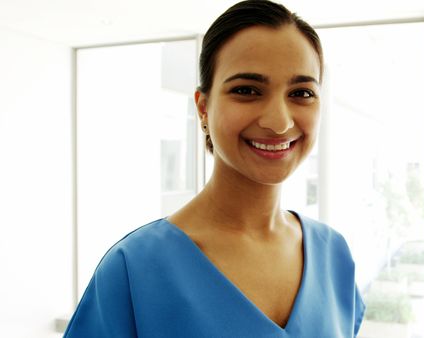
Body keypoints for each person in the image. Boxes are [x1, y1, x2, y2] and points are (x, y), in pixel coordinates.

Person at [63, 1, 365, 337]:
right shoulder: (133, 269)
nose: (279, 122)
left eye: (302, 92)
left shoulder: (333, 254)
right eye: (247, 90)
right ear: (203, 108)